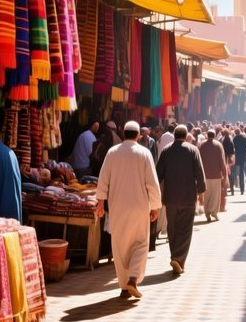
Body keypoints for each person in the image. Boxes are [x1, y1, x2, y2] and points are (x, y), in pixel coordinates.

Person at [96, 120, 161, 299]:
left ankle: (124, 286)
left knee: (120, 246)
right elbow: (152, 183)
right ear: (139, 135)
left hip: (117, 208)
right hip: (140, 207)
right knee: (141, 243)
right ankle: (132, 279)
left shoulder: (112, 152)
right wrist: (155, 206)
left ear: (124, 133)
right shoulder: (144, 153)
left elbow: (103, 179)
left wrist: (100, 202)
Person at [156, 125, 206, 275]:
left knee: (172, 228)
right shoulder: (193, 150)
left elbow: (158, 175)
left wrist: (154, 193)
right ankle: (178, 258)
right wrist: (201, 192)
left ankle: (174, 256)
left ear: (174, 135)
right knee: (185, 230)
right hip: (188, 197)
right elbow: (199, 173)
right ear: (185, 136)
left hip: (170, 198)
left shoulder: (166, 151)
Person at [199, 128, 227, 222]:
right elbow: (222, 162)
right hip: (216, 175)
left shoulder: (202, 145)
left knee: (206, 195)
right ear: (214, 136)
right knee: (215, 195)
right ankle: (214, 213)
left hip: (205, 175)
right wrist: (224, 175)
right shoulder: (218, 145)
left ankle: (207, 213)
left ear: (207, 135)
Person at [232, 128, 246, 195]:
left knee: (234, 172)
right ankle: (242, 189)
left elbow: (233, 148)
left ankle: (234, 186)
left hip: (236, 157)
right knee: (241, 173)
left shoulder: (234, 139)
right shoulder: (244, 138)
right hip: (242, 157)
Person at [221, 129, 235, 195]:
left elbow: (224, 150)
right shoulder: (230, 139)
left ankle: (227, 189)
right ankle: (232, 189)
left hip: (226, 158)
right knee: (230, 174)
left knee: (227, 174)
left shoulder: (225, 140)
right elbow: (232, 150)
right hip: (230, 157)